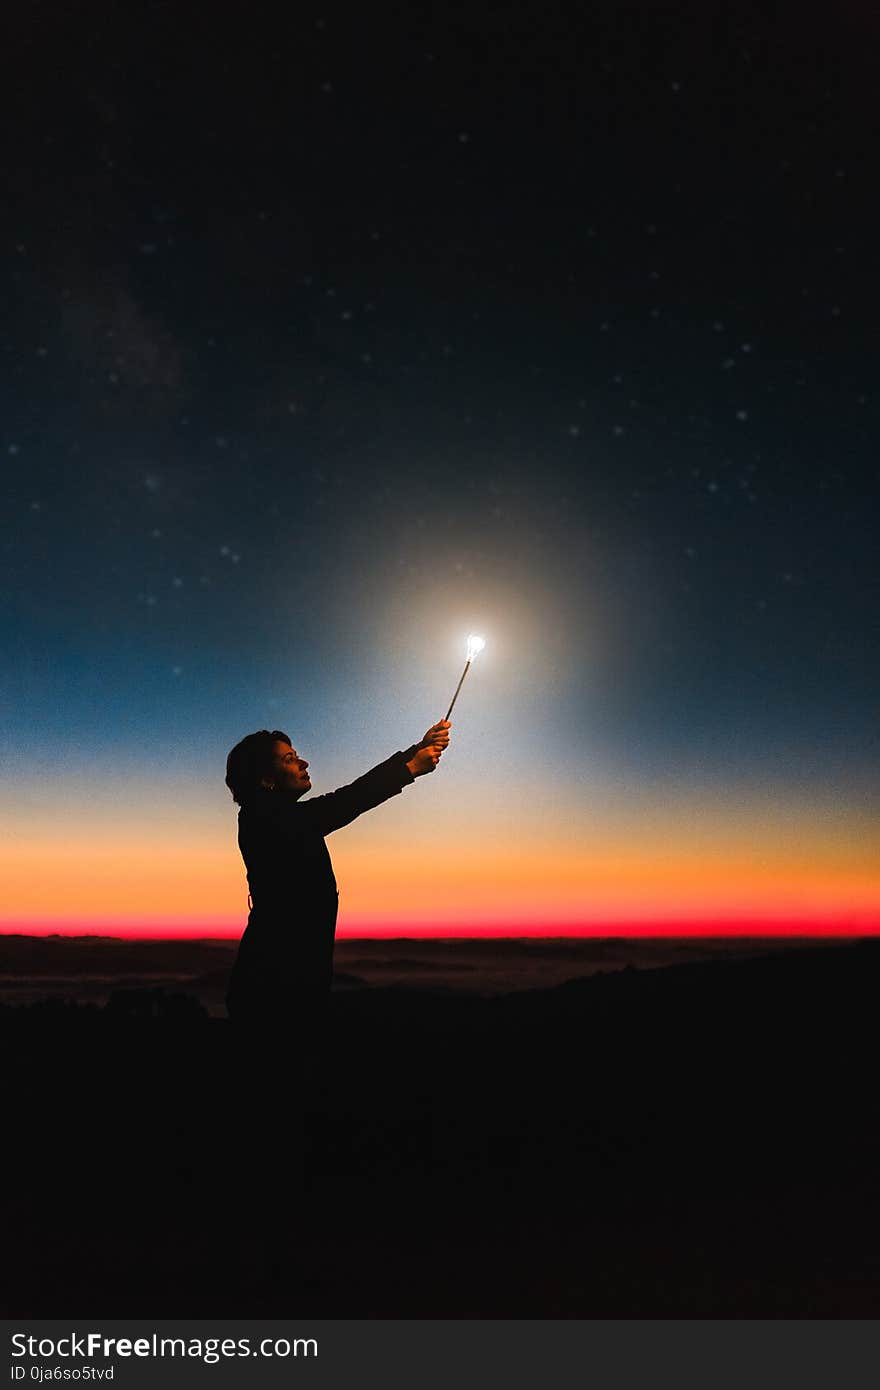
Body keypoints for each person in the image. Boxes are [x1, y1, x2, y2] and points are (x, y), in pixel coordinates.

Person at [224, 719, 451, 1033]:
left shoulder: (269, 816)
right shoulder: (265, 820)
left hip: (283, 987)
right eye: (289, 759)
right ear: (266, 780)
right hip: (275, 995)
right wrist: (410, 767)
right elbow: (346, 801)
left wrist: (417, 750)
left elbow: (342, 800)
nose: (304, 762)